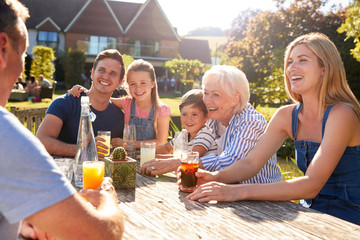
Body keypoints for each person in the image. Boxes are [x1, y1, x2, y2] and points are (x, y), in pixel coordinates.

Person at [187, 32, 360, 225]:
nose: (292, 68)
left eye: (302, 60)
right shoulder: (286, 115)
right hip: (309, 211)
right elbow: (251, 164)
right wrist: (214, 177)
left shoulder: (342, 114)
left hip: (350, 217)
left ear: (324, 69)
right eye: (290, 62)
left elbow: (312, 184)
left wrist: (234, 191)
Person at [0, 1, 124, 239]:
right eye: (24, 53)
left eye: (113, 74)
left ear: (119, 82)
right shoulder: (7, 138)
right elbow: (101, 235)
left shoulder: (119, 113)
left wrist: (18, 216)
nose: (23, 69)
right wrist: (108, 196)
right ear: (3, 48)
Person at [143, 65, 282, 183]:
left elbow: (229, 161)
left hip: (260, 200)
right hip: (227, 190)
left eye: (215, 95)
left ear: (235, 99)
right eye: (206, 93)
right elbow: (188, 143)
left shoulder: (250, 122)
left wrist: (179, 163)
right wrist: (160, 159)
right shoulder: (214, 116)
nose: (207, 101)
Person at [36, 49, 126, 157]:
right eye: (101, 70)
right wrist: (84, 150)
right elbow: (41, 140)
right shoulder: (65, 103)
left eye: (113, 73)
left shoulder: (119, 118)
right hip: (61, 171)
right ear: (92, 74)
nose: (106, 76)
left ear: (119, 83)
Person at [69, 59, 172, 149]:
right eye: (133, 84)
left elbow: (160, 142)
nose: (138, 88)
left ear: (153, 83)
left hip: (149, 160)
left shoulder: (161, 110)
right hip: (127, 160)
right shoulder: (127, 103)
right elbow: (101, 98)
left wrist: (127, 144)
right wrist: (82, 91)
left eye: (143, 83)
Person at [140, 89, 218, 175]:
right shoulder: (184, 134)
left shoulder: (206, 133)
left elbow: (193, 156)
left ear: (206, 116)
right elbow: (166, 148)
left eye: (194, 114)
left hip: (204, 177)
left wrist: (159, 159)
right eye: (184, 114)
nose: (188, 119)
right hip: (187, 174)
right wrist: (149, 154)